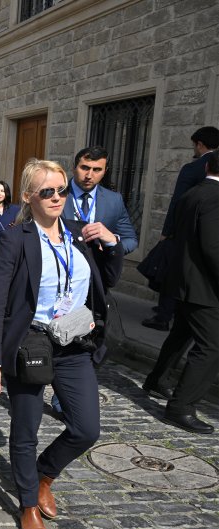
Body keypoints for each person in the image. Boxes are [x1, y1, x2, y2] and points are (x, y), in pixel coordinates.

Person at [0, 159, 123, 529]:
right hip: (32, 344)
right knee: (25, 430)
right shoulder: (16, 238)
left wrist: (112, 243)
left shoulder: (78, 233)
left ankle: (44, 473)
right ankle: (28, 502)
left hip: (74, 343)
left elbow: (107, 279)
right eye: (47, 192)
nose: (57, 197)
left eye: (61, 190)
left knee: (86, 429)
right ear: (29, 196)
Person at [146, 150, 218, 434]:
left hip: (184, 281)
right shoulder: (214, 197)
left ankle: (158, 379)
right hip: (204, 286)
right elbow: (212, 246)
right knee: (211, 347)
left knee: (181, 334)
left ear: (207, 166)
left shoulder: (192, 193)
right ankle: (181, 407)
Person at [142, 126, 218, 331]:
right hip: (211, 233)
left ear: (200, 144)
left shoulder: (193, 168)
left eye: (194, 145)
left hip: (184, 231)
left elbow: (177, 202)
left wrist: (166, 232)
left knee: (171, 271)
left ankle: (163, 316)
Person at [61, 146, 138, 254]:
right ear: (74, 167)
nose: (89, 175)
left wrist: (112, 242)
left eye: (97, 170)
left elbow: (130, 240)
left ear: (105, 171)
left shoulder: (114, 200)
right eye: (85, 168)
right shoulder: (56, 194)